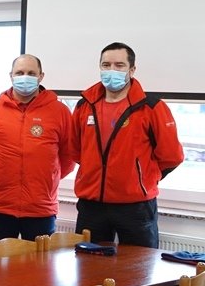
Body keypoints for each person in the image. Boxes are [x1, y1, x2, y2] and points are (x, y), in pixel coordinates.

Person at [70, 42, 183, 246]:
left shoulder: (152, 107)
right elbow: (75, 150)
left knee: (140, 265)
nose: (111, 70)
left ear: (132, 70)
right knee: (88, 264)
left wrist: (142, 178)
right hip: (91, 206)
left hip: (136, 208)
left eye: (119, 65)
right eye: (106, 65)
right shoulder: (84, 105)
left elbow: (171, 156)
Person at [0, 54, 75, 242]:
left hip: (41, 208)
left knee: (40, 261)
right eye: (20, 72)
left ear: (41, 76)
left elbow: (68, 157)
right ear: (11, 76)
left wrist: (47, 176)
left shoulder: (60, 111)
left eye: (31, 73)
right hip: (0, 206)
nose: (25, 77)